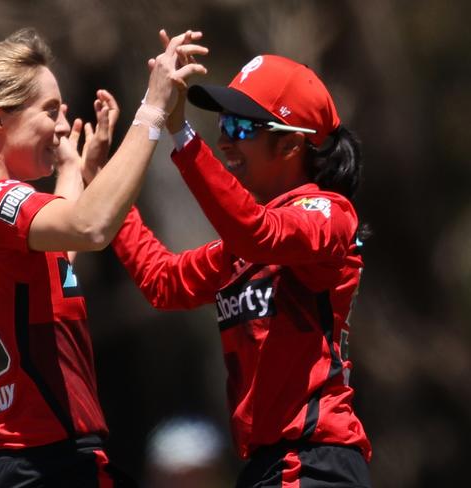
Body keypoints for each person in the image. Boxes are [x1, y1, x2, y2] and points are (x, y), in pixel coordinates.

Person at [0, 27, 207, 487]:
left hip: (15, 461)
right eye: (50, 111)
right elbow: (91, 226)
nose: (64, 126)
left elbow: (52, 264)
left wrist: (73, 170)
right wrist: (153, 108)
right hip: (44, 463)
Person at [110, 34, 373, 488]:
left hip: (314, 465)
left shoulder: (328, 214)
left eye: (242, 129)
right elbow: (163, 282)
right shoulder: (247, 244)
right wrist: (105, 192)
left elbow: (259, 233)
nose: (226, 142)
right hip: (269, 467)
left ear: (292, 145)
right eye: (224, 125)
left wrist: (181, 134)